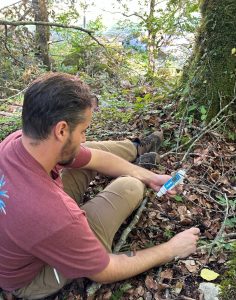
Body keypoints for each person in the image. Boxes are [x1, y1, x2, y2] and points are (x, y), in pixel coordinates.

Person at [0, 73, 200, 299]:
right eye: (83, 130)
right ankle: (134, 164)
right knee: (129, 187)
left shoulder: (17, 141)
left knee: (83, 152)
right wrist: (171, 249)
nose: (85, 137)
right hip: (29, 279)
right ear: (61, 130)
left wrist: (150, 176)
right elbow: (104, 270)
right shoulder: (56, 214)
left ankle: (136, 148)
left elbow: (92, 156)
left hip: (22, 230)